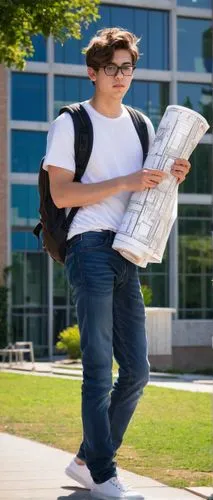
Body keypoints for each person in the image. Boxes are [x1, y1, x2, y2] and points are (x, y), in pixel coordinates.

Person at [43, 27, 191, 500]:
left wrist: (172, 177)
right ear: (92, 72)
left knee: (138, 371)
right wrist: (126, 180)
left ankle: (88, 459)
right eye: (112, 68)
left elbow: (148, 189)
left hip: (130, 248)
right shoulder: (71, 122)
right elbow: (62, 193)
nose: (121, 77)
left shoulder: (142, 125)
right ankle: (104, 473)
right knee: (96, 367)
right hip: (88, 247)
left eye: (128, 67)